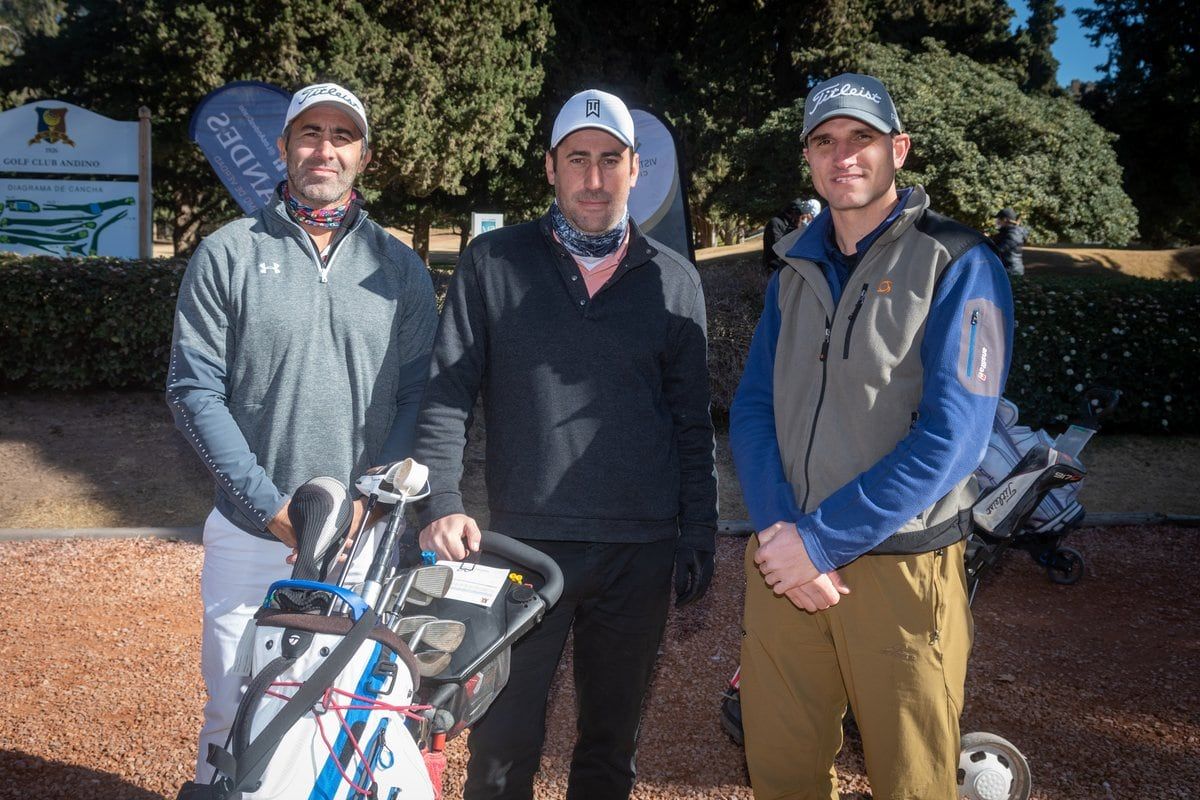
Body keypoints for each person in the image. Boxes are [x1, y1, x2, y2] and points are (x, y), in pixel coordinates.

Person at [413, 88, 718, 800]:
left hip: (639, 550)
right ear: (550, 167)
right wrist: (443, 500)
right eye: (577, 159)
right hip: (523, 547)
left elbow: (691, 422)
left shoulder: (674, 280)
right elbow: (447, 394)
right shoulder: (493, 262)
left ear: (635, 169)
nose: (594, 177)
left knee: (610, 748)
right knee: (501, 748)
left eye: (610, 159)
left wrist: (698, 531)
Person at [730, 72, 1014, 799]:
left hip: (901, 566)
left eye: (862, 138)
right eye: (824, 141)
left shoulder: (958, 261)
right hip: (785, 561)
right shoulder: (793, 270)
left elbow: (955, 437)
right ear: (808, 158)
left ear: (899, 149)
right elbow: (754, 408)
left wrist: (822, 541)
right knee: (782, 772)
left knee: (911, 780)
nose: (844, 155)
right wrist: (781, 531)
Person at [165, 82, 438, 783]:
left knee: (344, 715)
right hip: (253, 535)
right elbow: (194, 392)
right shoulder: (227, 252)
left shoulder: (402, 269)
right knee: (233, 714)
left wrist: (368, 501)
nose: (325, 149)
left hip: (361, 540)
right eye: (310, 133)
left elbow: (417, 395)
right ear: (284, 147)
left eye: (342, 136)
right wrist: (273, 509)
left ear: (364, 156)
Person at [763, 198, 821, 272]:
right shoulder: (775, 223)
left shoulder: (792, 222)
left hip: (789, 265)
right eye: (800, 213)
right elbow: (779, 248)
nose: (802, 216)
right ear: (793, 212)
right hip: (775, 267)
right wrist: (797, 228)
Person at [992, 206, 1028, 276]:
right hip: (1007, 269)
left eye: (999, 219)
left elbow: (999, 250)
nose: (997, 221)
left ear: (1005, 220)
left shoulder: (1014, 234)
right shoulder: (1005, 232)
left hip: (1012, 271)